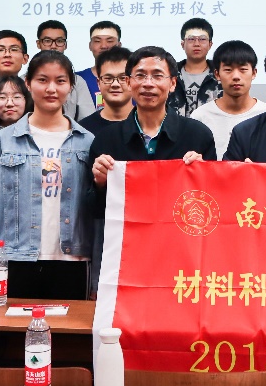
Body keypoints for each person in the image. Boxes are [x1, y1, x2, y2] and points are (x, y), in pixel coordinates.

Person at [86, 46, 217, 295]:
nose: (148, 83)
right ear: (129, 82)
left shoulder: (197, 135)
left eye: (157, 75)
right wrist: (100, 183)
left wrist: (203, 175)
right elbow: (92, 210)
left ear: (172, 83)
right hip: (124, 257)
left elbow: (212, 208)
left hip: (182, 258)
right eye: (140, 75)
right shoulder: (106, 140)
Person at [0, 51, 95, 297]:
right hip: (15, 259)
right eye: (42, 80)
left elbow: (95, 213)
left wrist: (97, 278)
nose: (51, 89)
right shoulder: (4, 140)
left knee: (69, 324)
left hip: (73, 262)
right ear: (28, 83)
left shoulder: (87, 142)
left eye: (60, 81)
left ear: (70, 86)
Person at [190, 39, 266, 156]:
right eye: (228, 70)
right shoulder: (200, 117)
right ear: (217, 74)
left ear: (254, 73)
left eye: (243, 70)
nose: (236, 76)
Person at [168, 17, 222, 117]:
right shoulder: (170, 73)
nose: (196, 44)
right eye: (191, 39)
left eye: (202, 39)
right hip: (176, 126)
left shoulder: (220, 74)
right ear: (182, 44)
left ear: (210, 44)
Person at [78, 47, 134, 137]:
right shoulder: (82, 130)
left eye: (123, 78)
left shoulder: (149, 124)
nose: (115, 84)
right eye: (108, 78)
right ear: (98, 83)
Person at [69, 21, 120, 119]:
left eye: (110, 41)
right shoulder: (77, 79)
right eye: (97, 41)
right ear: (90, 45)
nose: (104, 46)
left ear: (119, 45)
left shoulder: (131, 79)